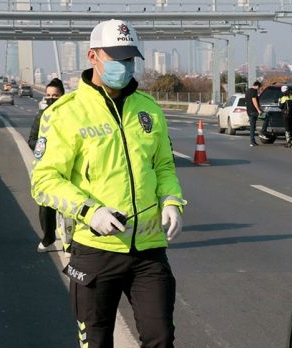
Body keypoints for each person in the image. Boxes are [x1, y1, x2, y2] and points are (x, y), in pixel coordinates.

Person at [30, 19, 186, 347]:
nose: (124, 66)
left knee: (161, 339)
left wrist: (171, 201)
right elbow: (44, 180)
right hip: (96, 249)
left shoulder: (149, 110)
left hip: (148, 251)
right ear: (93, 57)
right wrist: (90, 211)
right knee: (96, 342)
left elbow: (164, 167)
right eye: (116, 57)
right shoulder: (65, 114)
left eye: (129, 58)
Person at [28, 78, 65, 252]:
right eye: (48, 95)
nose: (51, 99)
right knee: (46, 207)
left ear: (63, 96)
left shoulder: (72, 116)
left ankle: (71, 242)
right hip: (49, 167)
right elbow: (32, 140)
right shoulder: (42, 117)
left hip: (69, 167)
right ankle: (48, 236)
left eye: (55, 96)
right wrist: (45, 148)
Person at [245, 81, 263, 146]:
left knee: (253, 126)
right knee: (253, 127)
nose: (258, 89)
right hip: (253, 111)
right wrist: (258, 110)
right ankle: (252, 141)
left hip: (249, 111)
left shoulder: (247, 91)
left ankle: (253, 141)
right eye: (259, 88)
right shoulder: (253, 91)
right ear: (257, 86)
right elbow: (254, 100)